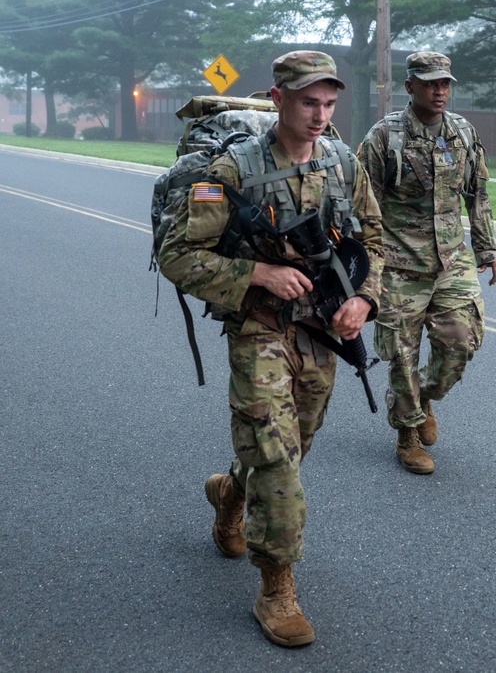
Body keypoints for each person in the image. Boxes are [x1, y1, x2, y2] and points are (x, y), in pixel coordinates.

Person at [157, 50, 383, 648]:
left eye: (330, 103)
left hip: (323, 331)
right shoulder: (231, 169)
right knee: (278, 460)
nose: (320, 114)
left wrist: (364, 301)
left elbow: (374, 241)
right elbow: (177, 256)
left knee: (290, 446)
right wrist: (257, 273)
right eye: (309, 101)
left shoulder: (342, 162)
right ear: (278, 99)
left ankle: (229, 493)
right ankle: (276, 589)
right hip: (259, 328)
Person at [358, 51, 496, 476]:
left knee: (461, 342)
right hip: (399, 263)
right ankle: (407, 432)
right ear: (410, 86)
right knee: (401, 355)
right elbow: (361, 204)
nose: (439, 91)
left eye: (445, 84)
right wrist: (367, 264)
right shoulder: (385, 136)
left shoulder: (462, 132)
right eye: (429, 83)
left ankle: (422, 398)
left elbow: (477, 195)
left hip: (451, 260)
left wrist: (488, 248)